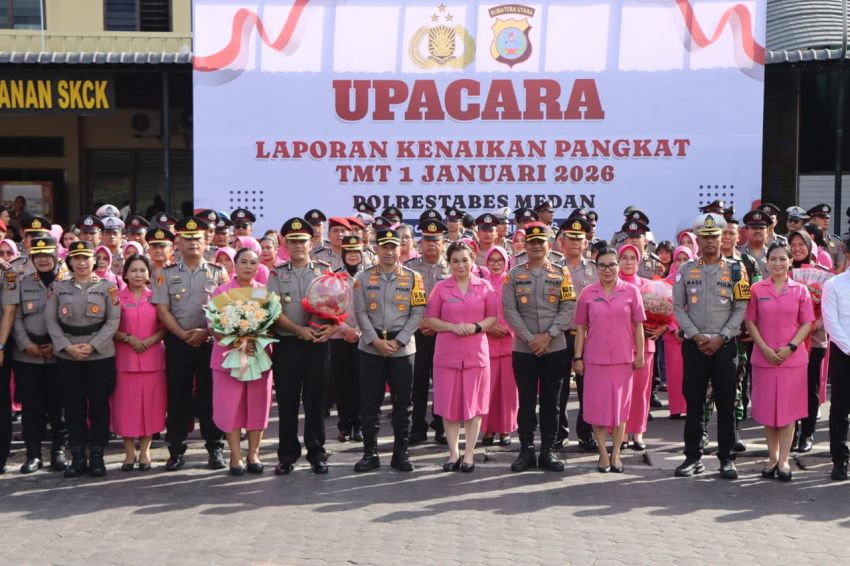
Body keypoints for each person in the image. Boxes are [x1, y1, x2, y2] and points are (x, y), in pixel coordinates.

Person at [672, 213, 749, 479]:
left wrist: (722, 337)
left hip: (725, 346)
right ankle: (693, 457)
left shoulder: (737, 270)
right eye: (705, 237)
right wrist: (695, 335)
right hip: (695, 346)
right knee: (693, 403)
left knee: (727, 403)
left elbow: (741, 308)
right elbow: (678, 309)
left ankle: (727, 459)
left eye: (714, 236)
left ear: (723, 238)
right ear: (698, 239)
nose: (710, 242)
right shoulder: (684, 270)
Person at [152, 216, 228, 471]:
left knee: (210, 397)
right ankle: (175, 450)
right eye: (187, 238)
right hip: (178, 343)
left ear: (206, 241)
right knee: (178, 398)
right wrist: (183, 335)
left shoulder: (219, 272)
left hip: (209, 342)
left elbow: (226, 309)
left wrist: (206, 332)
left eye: (197, 238)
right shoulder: (166, 274)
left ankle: (215, 448)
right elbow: (163, 311)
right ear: (178, 243)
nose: (193, 242)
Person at [502, 222, 576, 472]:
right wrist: (529, 338)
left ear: (549, 244)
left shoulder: (561, 272)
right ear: (526, 245)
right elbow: (509, 310)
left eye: (540, 242)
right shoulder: (513, 274)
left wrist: (548, 336)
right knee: (525, 401)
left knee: (551, 402)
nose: (535, 246)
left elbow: (568, 307)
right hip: (524, 348)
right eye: (531, 242)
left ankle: (548, 451)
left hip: (554, 347)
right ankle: (525, 451)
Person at [352, 227, 426, 472]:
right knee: (369, 403)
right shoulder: (362, 278)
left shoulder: (414, 277)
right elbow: (360, 312)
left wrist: (399, 340)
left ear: (400, 249)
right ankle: (370, 454)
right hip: (371, 347)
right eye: (384, 247)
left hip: (402, 349)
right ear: (376, 248)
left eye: (393, 247)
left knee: (403, 403)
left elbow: (417, 312)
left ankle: (400, 454)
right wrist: (376, 341)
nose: (389, 251)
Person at [266, 217, 336, 475]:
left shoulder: (324, 270)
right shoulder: (276, 273)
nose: (298, 245)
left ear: (311, 242)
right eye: (293, 241)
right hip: (288, 344)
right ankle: (287, 455)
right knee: (287, 401)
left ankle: (317, 452)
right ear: (285, 243)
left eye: (302, 241)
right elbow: (272, 310)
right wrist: (298, 330)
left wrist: (332, 327)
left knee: (316, 400)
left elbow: (337, 305)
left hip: (318, 343)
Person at [45, 240, 121, 478]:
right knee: (73, 407)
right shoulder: (59, 288)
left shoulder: (108, 287)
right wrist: (67, 347)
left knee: (99, 407)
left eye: (86, 258)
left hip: (99, 355)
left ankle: (97, 456)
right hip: (68, 356)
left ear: (94, 261)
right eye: (76, 259)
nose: (81, 263)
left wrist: (92, 345)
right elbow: (51, 321)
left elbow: (113, 320)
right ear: (69, 262)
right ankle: (77, 456)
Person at [425, 241, 498, 472]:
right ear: (449, 263)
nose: (460, 265)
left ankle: (469, 454)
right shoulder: (441, 288)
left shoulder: (485, 287)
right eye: (455, 260)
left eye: (465, 260)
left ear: (473, 260)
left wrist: (476, 326)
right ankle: (453, 452)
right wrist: (450, 326)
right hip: (447, 354)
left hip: (476, 355)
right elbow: (431, 319)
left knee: (474, 407)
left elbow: (493, 318)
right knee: (449, 406)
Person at [745, 243, 814, 482]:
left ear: (790, 261)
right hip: (764, 358)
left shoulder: (800, 290)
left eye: (782, 259)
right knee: (767, 412)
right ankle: (772, 457)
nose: (777, 263)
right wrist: (763, 347)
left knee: (787, 412)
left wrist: (791, 347)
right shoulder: (756, 289)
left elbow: (807, 323)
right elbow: (750, 322)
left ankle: (784, 460)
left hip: (792, 360)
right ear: (766, 261)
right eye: (773, 259)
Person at [573, 247, 646, 472]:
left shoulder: (631, 291)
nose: (608, 269)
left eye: (612, 265)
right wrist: (578, 357)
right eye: (602, 265)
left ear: (618, 266)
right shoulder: (587, 293)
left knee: (620, 410)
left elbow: (638, 326)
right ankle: (602, 453)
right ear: (596, 268)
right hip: (594, 359)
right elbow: (581, 328)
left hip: (622, 359)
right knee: (597, 408)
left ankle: (616, 453)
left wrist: (640, 354)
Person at [210, 248, 274, 476]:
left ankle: (254, 453)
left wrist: (254, 340)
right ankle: (235, 456)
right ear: (234, 265)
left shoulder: (264, 292)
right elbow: (214, 327)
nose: (248, 266)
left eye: (253, 262)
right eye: (244, 262)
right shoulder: (222, 291)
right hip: (229, 358)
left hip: (258, 357)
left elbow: (272, 323)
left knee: (258, 406)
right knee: (231, 407)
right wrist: (237, 341)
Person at [8, 237, 68, 473]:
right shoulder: (22, 282)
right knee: (32, 408)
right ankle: (33, 455)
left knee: (58, 406)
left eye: (47, 254)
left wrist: (58, 344)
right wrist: (25, 344)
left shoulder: (67, 282)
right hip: (28, 355)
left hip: (58, 354)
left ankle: (58, 452)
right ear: (32, 258)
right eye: (38, 255)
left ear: (55, 256)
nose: (43, 259)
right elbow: (16, 316)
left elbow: (70, 316)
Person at [112, 254, 166, 472]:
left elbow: (165, 324)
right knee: (126, 408)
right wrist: (127, 338)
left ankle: (145, 452)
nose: (138, 274)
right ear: (125, 274)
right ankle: (128, 453)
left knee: (150, 408)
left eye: (142, 270)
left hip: (153, 361)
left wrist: (151, 340)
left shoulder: (156, 296)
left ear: (148, 273)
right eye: (133, 270)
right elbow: (108, 326)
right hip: (125, 361)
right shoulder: (116, 297)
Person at [406, 220, 451, 445]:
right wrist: (422, 323)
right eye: (427, 241)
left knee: (443, 382)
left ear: (443, 243)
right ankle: (417, 426)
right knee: (418, 382)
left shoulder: (452, 266)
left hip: (444, 334)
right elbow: (404, 302)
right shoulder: (410, 267)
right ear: (421, 243)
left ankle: (441, 425)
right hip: (417, 333)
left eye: (436, 241)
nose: (432, 245)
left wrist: (436, 324)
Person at [555, 218, 598, 451]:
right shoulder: (553, 267)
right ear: (562, 242)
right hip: (559, 336)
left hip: (587, 336)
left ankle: (585, 433)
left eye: (579, 240)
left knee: (587, 388)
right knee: (559, 388)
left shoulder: (594, 270)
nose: (574, 243)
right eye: (570, 239)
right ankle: (559, 433)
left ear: (585, 243)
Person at [788, 230, 830, 452]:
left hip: (814, 340)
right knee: (790, 388)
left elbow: (828, 308)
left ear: (809, 246)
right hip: (788, 341)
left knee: (810, 388)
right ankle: (791, 433)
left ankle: (808, 433)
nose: (797, 248)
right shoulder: (783, 272)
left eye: (801, 244)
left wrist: (814, 325)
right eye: (792, 244)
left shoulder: (822, 274)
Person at [618, 244, 658, 450]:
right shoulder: (611, 284)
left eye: (632, 258)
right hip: (618, 346)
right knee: (621, 392)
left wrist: (662, 328)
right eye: (624, 258)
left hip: (644, 345)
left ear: (639, 261)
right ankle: (621, 433)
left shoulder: (648, 286)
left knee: (641, 391)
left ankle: (638, 433)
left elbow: (666, 310)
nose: (628, 262)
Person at [481, 246, 518, 447]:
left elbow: (521, 310)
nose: (496, 264)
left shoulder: (512, 282)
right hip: (486, 345)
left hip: (511, 344)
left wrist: (507, 329)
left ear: (506, 263)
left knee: (508, 391)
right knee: (488, 390)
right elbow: (474, 312)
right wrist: (489, 329)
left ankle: (506, 429)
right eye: (492, 260)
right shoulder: (480, 284)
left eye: (500, 260)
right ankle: (488, 429)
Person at [330, 235, 365, 443]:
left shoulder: (370, 276)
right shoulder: (332, 277)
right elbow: (327, 306)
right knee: (342, 383)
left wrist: (359, 330)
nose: (353, 255)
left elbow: (374, 308)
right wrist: (345, 329)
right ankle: (344, 425)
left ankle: (359, 425)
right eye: (349, 252)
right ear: (343, 255)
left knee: (361, 383)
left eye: (356, 252)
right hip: (338, 336)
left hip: (364, 336)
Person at [822, 241, 850, 480]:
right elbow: (831, 323)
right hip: (844, 352)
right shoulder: (833, 285)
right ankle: (840, 460)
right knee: (840, 409)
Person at [662, 246, 694, 418]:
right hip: (672, 335)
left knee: (691, 373)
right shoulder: (666, 282)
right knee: (674, 374)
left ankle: (690, 407)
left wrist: (687, 329)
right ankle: (675, 408)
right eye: (678, 259)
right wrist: (674, 328)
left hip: (692, 334)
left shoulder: (697, 278)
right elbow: (664, 307)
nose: (682, 263)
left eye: (685, 259)